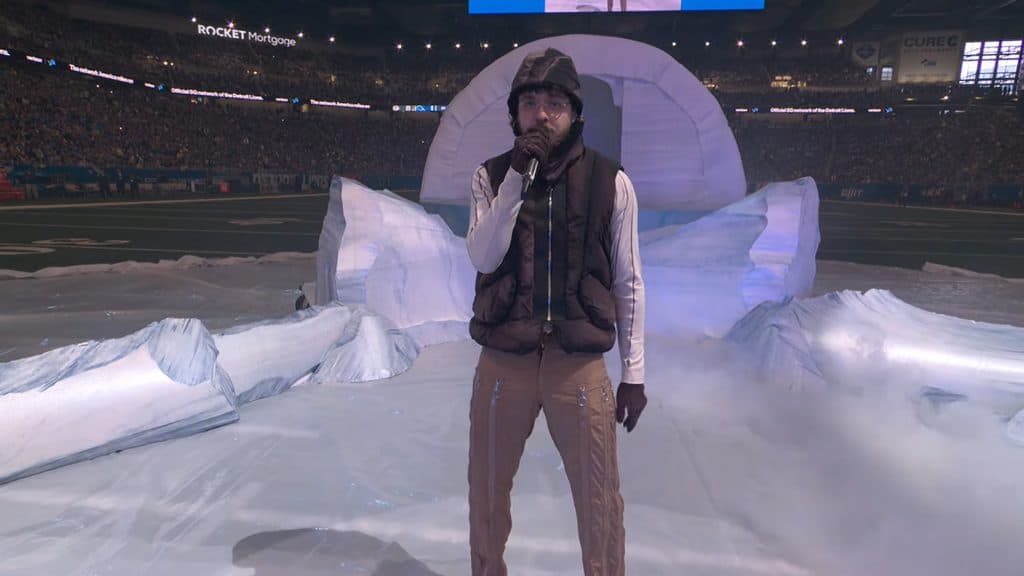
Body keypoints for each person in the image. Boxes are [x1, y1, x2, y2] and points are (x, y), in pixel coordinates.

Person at [465, 47, 646, 576]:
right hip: (504, 363)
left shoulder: (611, 181)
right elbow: (484, 255)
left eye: (553, 102)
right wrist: (516, 179)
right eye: (529, 102)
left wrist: (633, 374)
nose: (541, 114)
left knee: (599, 502)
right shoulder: (490, 176)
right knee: (487, 496)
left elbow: (629, 280)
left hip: (579, 367)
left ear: (574, 112)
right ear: (515, 113)